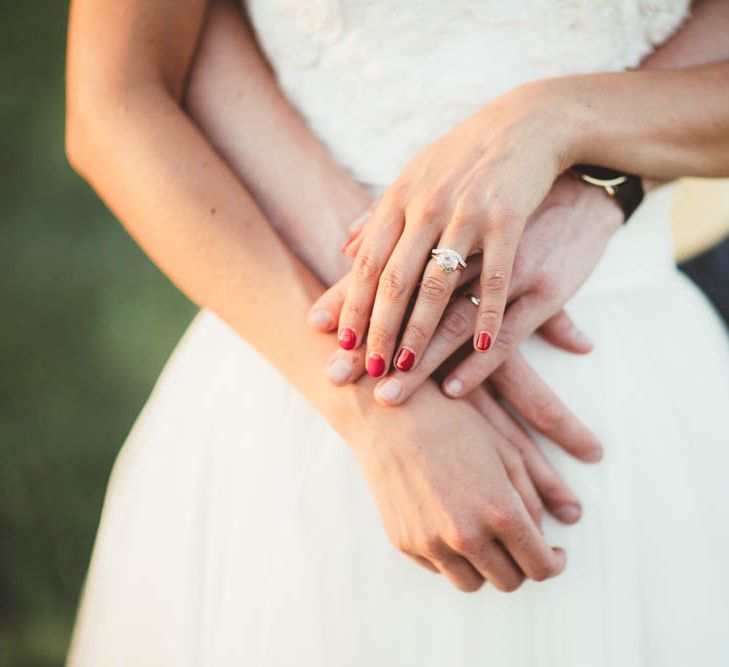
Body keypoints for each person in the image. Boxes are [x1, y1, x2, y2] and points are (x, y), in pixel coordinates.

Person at [65, 1, 729, 664]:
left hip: (624, 364)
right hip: (292, 353)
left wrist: (569, 140)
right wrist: (372, 400)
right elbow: (116, 95)